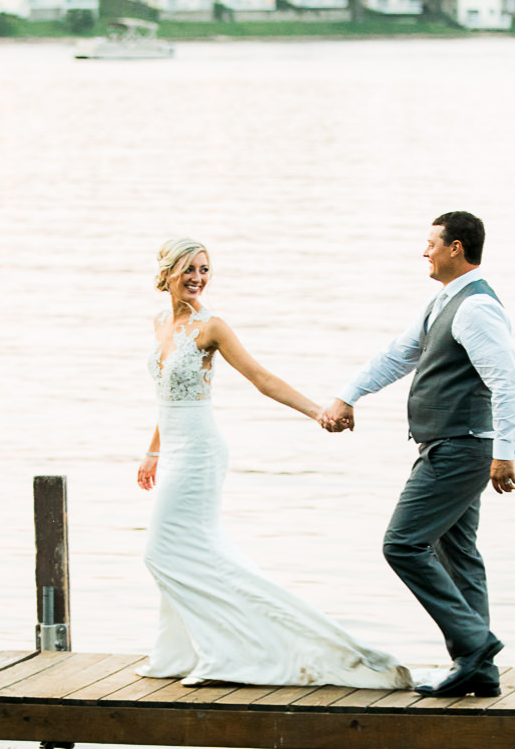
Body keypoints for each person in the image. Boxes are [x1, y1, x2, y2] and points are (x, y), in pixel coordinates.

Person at [137, 236, 411, 690]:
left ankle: (227, 654)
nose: (198, 279)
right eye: (190, 269)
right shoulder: (160, 322)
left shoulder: (212, 327)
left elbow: (262, 379)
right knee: (187, 550)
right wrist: (152, 450)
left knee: (162, 552)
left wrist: (318, 411)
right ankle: (178, 653)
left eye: (204, 270)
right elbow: (169, 395)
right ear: (167, 271)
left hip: (201, 453)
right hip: (174, 450)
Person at [318, 211, 515, 699]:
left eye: (431, 243)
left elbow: (507, 382)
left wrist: (507, 452)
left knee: (403, 543)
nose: (424, 251)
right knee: (459, 555)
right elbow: (398, 354)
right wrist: (348, 394)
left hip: (463, 447)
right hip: (450, 444)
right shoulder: (443, 301)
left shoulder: (476, 309)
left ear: (456, 248)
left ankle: (475, 645)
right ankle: (478, 670)